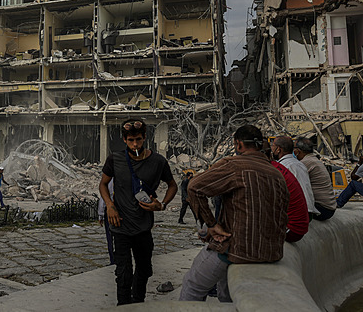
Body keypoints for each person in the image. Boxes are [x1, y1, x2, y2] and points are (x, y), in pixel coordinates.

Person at [180, 125, 289, 303]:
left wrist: (212, 224)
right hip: (271, 253)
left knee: (192, 285)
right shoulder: (277, 174)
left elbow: (194, 187)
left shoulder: (234, 165)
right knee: (227, 296)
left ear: (238, 145)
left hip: (237, 250)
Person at [99, 119, 178, 305]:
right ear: (125, 140)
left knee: (144, 269)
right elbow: (103, 184)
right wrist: (109, 205)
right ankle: (123, 305)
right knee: (123, 273)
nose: (136, 144)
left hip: (143, 227)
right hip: (120, 226)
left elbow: (172, 185)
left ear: (145, 139)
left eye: (139, 140)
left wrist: (162, 204)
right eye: (131, 140)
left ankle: (138, 301)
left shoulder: (158, 161)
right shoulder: (114, 159)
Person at [271, 136, 318, 217]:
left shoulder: (283, 167)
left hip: (299, 213)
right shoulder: (299, 164)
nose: (271, 149)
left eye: (272, 146)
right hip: (308, 210)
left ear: (278, 149)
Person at [294, 137, 336, 220]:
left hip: (322, 209)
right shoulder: (314, 160)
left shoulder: (305, 163)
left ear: (298, 151)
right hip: (329, 207)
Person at [97, 178, 115, 265]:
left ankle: (113, 260)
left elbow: (104, 197)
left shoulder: (109, 180)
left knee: (111, 238)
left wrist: (100, 214)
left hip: (110, 212)